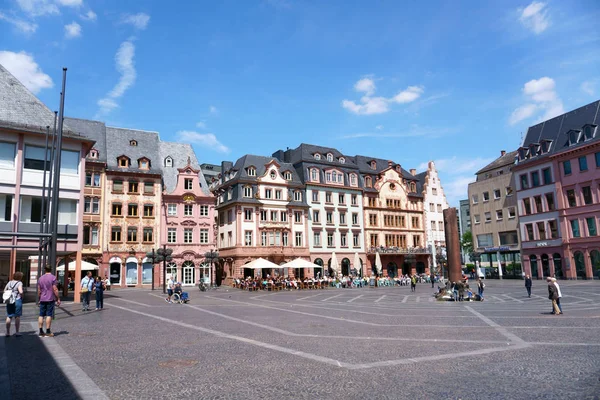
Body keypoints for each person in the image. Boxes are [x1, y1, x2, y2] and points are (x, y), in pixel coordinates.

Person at [38, 265, 61, 337]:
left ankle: (41, 331)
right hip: (50, 298)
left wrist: (40, 298)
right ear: (51, 269)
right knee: (49, 314)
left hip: (42, 298)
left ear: (45, 270)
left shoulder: (40, 278)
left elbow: (39, 290)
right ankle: (48, 331)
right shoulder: (53, 277)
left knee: (41, 315)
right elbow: (55, 289)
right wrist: (58, 298)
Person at [4, 271, 24, 337]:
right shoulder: (19, 283)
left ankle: (7, 332)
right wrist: (22, 295)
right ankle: (17, 332)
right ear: (20, 277)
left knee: (9, 316)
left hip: (9, 301)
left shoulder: (9, 282)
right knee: (17, 316)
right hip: (17, 300)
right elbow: (20, 291)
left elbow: (5, 290)